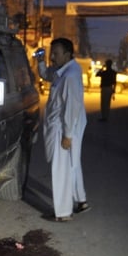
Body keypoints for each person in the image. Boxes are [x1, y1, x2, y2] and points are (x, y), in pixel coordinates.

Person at [36, 38, 89, 221]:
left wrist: (67, 135)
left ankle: (64, 212)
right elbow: (46, 75)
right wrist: (40, 61)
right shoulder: (63, 71)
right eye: (52, 54)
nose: (53, 58)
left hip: (63, 127)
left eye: (56, 54)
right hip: (62, 125)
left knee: (61, 168)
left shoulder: (70, 76)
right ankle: (80, 200)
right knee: (71, 164)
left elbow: (71, 107)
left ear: (67, 54)